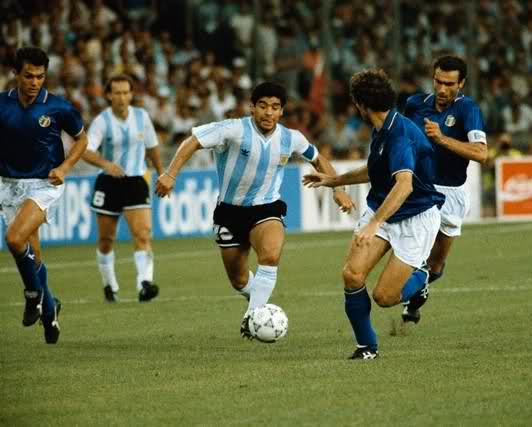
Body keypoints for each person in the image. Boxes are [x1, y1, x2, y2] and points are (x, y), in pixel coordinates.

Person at [155, 81, 354, 337]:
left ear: (282, 111)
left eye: (275, 107)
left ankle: (252, 318)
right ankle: (257, 303)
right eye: (263, 106)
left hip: (266, 208)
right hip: (229, 212)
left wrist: (338, 188)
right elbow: (193, 141)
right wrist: (170, 173)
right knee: (238, 280)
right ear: (252, 107)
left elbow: (318, 159)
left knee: (270, 255)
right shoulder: (233, 129)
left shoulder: (291, 138)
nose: (268, 112)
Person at [303, 69, 445, 360]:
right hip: (382, 207)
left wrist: (375, 222)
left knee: (385, 297)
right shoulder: (382, 128)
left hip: (416, 217)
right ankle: (367, 346)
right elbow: (375, 170)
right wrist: (334, 180)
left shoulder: (400, 134)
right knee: (352, 275)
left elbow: (404, 185)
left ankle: (421, 278)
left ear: (361, 105)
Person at [0, 46, 88, 344]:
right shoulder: (2, 105)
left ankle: (32, 294)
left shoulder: (58, 107)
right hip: (8, 184)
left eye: (40, 76)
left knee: (14, 239)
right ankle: (50, 310)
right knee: (32, 252)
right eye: (29, 76)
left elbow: (82, 139)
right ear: (16, 74)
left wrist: (64, 167)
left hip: (44, 184)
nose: (35, 82)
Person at [400, 55, 487, 323]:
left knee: (435, 265)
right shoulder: (414, 104)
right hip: (419, 189)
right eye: (438, 81)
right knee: (412, 256)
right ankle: (400, 290)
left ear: (461, 84)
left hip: (452, 193)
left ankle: (418, 292)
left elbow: (481, 153)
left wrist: (442, 139)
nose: (441, 88)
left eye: (449, 84)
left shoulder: (468, 109)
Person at [82, 74, 164, 302]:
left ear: (131, 94)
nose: (122, 97)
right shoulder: (102, 121)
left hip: (136, 181)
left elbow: (152, 146)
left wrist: (163, 173)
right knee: (106, 239)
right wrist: (106, 164)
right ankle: (110, 285)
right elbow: (86, 150)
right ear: (109, 95)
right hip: (108, 184)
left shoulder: (141, 116)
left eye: (126, 92)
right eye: (117, 93)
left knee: (143, 234)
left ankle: (145, 284)